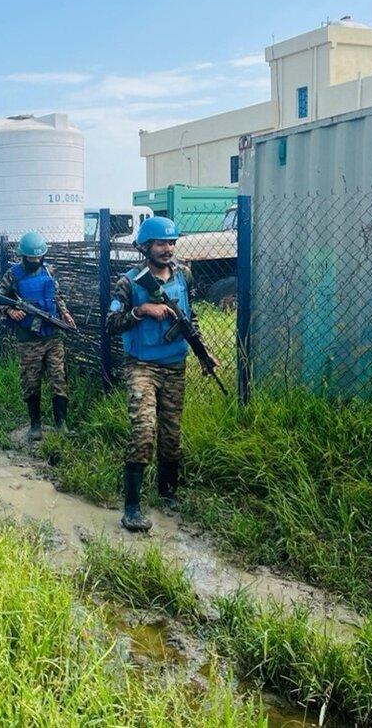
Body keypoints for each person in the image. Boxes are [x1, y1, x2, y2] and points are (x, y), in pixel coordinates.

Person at [106, 216, 218, 533]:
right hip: (142, 366)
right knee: (144, 430)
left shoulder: (184, 275)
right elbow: (111, 323)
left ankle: (168, 494)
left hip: (175, 365)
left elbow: (189, 319)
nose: (167, 249)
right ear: (146, 247)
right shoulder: (129, 282)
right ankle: (132, 508)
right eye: (160, 243)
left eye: (171, 243)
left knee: (171, 434)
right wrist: (141, 311)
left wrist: (204, 353)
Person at [0, 231, 75, 444]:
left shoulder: (48, 271)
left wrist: (65, 314)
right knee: (31, 381)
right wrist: (10, 311)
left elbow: (56, 296)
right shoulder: (13, 275)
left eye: (38, 257)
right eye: (31, 258)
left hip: (52, 335)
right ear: (23, 256)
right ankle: (35, 426)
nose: (35, 261)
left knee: (59, 378)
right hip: (28, 339)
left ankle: (61, 424)